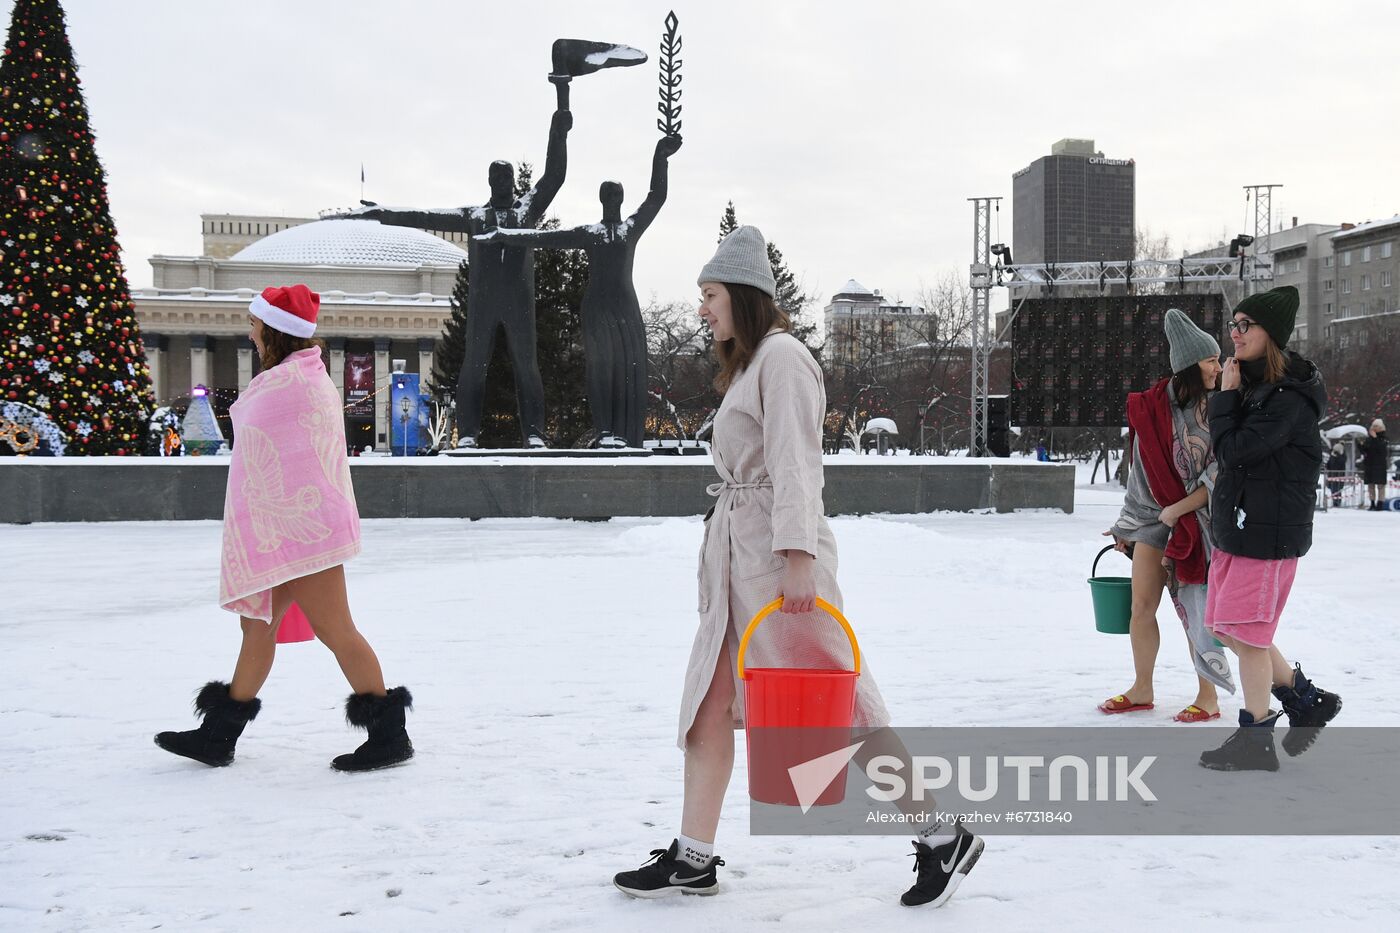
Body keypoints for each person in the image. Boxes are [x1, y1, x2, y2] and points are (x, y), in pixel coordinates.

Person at [610, 227, 984, 908]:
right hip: (741, 562)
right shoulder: (756, 365)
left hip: (777, 564)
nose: (702, 310)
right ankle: (693, 856)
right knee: (708, 704)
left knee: (844, 707)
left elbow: (796, 465)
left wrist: (798, 560)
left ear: (744, 296)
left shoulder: (782, 358)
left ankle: (941, 832)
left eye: (711, 295)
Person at [154, 285, 415, 773]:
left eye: (253, 324)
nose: (249, 332)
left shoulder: (293, 386)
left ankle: (389, 735)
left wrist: (278, 516)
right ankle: (218, 736)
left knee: (335, 629)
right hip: (284, 528)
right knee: (256, 628)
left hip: (304, 528)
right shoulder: (293, 379)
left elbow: (298, 463)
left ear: (272, 329)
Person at [347, 106, 573, 449]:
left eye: (507, 180)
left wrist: (559, 131)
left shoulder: (527, 211)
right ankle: (467, 434)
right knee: (473, 366)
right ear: (489, 183)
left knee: (527, 367)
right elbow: (422, 215)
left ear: (513, 182)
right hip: (483, 302)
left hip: (518, 302)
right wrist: (382, 214)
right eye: (497, 181)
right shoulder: (474, 216)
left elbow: (554, 175)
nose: (503, 185)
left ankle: (535, 434)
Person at [1198, 285, 1341, 771]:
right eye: (1232, 325)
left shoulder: (1290, 398)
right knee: (1225, 626)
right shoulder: (1255, 387)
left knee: (1250, 637)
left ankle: (1255, 737)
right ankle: (1305, 699)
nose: (1233, 335)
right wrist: (1233, 397)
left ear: (1271, 336)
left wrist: (1226, 399)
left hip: (1268, 533)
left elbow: (1234, 450)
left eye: (1244, 326)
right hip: (1239, 527)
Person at [476, 134, 683, 448]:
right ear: (603, 200)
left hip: (625, 308)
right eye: (609, 195)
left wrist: (661, 157)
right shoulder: (590, 233)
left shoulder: (630, 229)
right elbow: (546, 238)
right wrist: (506, 234)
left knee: (629, 370)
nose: (613, 199)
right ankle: (605, 432)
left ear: (622, 199)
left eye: (617, 195)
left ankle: (625, 435)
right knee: (600, 371)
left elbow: (656, 197)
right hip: (597, 310)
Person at [1101, 309, 1234, 722]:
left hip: (1201, 524)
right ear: (1191, 364)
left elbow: (1221, 473)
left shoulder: (1221, 409)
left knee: (1196, 610)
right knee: (1140, 606)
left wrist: (1180, 509)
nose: (1219, 366)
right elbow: (1140, 474)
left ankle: (1207, 696)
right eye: (1212, 359)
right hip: (1153, 520)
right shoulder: (1152, 407)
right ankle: (1142, 688)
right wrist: (1127, 527)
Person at [1361, 418, 1389, 510]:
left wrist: (1375, 438)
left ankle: (1380, 504)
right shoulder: (1369, 439)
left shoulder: (1384, 439)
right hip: (1370, 465)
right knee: (1371, 486)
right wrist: (1360, 444)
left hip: (1380, 466)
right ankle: (1372, 503)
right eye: (1373, 426)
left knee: (1381, 486)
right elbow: (1365, 450)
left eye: (1376, 427)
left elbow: (1382, 449)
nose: (1374, 428)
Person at [1325, 442, 1347, 507]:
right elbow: (1329, 465)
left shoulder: (1343, 456)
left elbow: (1340, 463)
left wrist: (1338, 456)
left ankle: (1337, 502)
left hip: (1339, 475)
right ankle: (1335, 502)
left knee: (1338, 489)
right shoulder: (1332, 456)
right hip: (1332, 475)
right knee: (1333, 489)